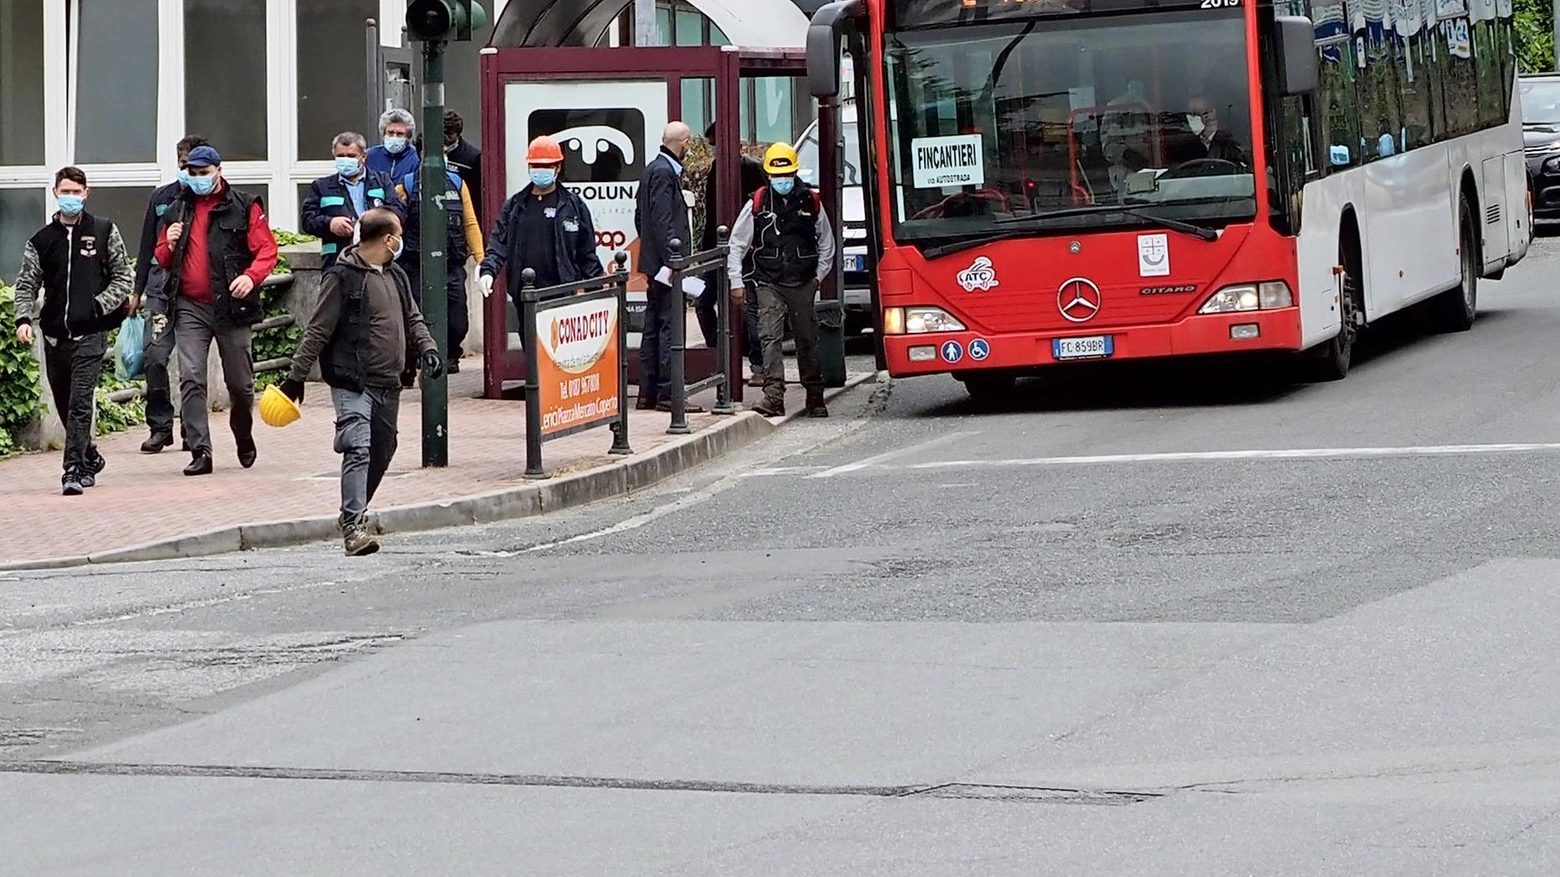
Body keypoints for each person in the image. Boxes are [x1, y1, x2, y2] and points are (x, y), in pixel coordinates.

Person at [278, 208, 442, 557]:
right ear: (387, 239)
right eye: (398, 234)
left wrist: (427, 348)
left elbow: (412, 316)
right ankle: (353, 527)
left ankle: (354, 510)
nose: (401, 240)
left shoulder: (396, 275)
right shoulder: (342, 277)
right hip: (352, 381)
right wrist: (295, 378)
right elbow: (318, 329)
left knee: (384, 449)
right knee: (358, 447)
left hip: (390, 381)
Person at [153, 145, 279, 477]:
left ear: (218, 170)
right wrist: (169, 243)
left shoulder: (244, 205)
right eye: (192, 173)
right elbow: (163, 260)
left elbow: (266, 249)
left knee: (240, 383)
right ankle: (200, 449)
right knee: (191, 376)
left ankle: (242, 430)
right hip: (189, 304)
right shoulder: (177, 208)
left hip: (233, 305)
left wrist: (251, 278)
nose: (197, 179)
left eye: (203, 173)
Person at [12, 167, 133, 495]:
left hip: (90, 334)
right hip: (54, 337)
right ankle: (89, 454)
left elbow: (124, 277)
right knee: (65, 405)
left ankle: (73, 470)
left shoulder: (104, 231)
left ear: (86, 193)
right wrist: (23, 318)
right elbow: (25, 284)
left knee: (81, 402)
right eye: (65, 192)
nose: (70, 198)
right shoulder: (41, 241)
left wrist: (98, 305)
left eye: (76, 192)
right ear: (55, 192)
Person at [726, 142, 836, 419]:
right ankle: (773, 396)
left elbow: (827, 243)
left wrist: (817, 278)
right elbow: (737, 244)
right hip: (769, 281)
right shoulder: (758, 202)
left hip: (802, 281)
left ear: (795, 173)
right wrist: (736, 280)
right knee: (769, 339)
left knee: (807, 340)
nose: (781, 181)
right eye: (776, 177)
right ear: (768, 175)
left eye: (785, 176)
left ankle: (815, 397)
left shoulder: (811, 201)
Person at [478, 135, 603, 340]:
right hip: (525, 293)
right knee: (532, 353)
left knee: (559, 353)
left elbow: (586, 253)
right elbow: (498, 243)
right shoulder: (515, 206)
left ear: (558, 167)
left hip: (561, 291)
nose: (540, 170)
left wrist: (597, 290)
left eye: (546, 165)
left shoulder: (573, 206)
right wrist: (488, 271)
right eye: (535, 165)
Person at [134, 134, 207, 454]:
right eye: (182, 164)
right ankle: (160, 426)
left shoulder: (215, 200)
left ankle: (192, 430)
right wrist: (137, 291)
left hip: (194, 294)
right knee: (154, 356)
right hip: (161, 289)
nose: (186, 171)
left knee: (193, 368)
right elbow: (147, 243)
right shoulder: (162, 197)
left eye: (192, 165)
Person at [633, 120, 703, 413]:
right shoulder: (664, 173)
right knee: (669, 327)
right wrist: (673, 261)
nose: (688, 148)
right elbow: (663, 222)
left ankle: (648, 392)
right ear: (684, 143)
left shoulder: (652, 169)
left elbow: (641, 217)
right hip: (666, 265)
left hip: (655, 262)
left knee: (654, 325)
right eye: (688, 143)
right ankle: (668, 392)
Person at [394, 162, 484, 372]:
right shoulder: (407, 185)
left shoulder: (456, 182)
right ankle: (411, 361)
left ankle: (450, 354)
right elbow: (393, 221)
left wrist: (481, 260)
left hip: (451, 263)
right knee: (415, 315)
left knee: (458, 320)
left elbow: (469, 223)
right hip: (415, 264)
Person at [701, 122, 767, 386]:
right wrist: (706, 251)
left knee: (749, 309)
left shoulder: (751, 167)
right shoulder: (716, 168)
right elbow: (710, 213)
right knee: (703, 303)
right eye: (712, 145)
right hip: (716, 250)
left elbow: (762, 205)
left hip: (746, 251)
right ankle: (719, 355)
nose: (715, 149)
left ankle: (757, 364)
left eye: (717, 143)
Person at [301, 132, 405, 270]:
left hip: (377, 256)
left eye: (351, 156)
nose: (345, 160)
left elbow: (399, 211)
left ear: (363, 157)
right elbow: (307, 220)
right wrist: (330, 223)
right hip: (337, 260)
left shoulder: (381, 181)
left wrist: (373, 222)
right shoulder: (321, 186)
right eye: (340, 156)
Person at [1167, 97, 1248, 167]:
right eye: (1189, 114)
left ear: (1210, 112)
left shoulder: (1231, 143)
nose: (1189, 117)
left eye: (1194, 114)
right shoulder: (1186, 145)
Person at [443, 109, 483, 221]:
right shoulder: (425, 150)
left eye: (449, 134)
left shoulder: (472, 157)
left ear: (458, 133)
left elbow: (476, 195)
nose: (445, 138)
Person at [366, 109, 421, 181]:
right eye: (390, 133)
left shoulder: (416, 158)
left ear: (408, 136)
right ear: (383, 134)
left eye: (399, 134)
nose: (394, 137)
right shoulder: (369, 156)